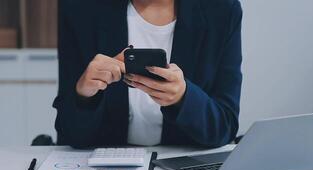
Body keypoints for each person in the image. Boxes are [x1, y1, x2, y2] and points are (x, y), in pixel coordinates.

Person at [54, 0, 243, 148]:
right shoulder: (79, 9)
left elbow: (225, 128)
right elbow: (70, 133)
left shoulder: (223, 11)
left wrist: (183, 98)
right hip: (104, 167)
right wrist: (84, 96)